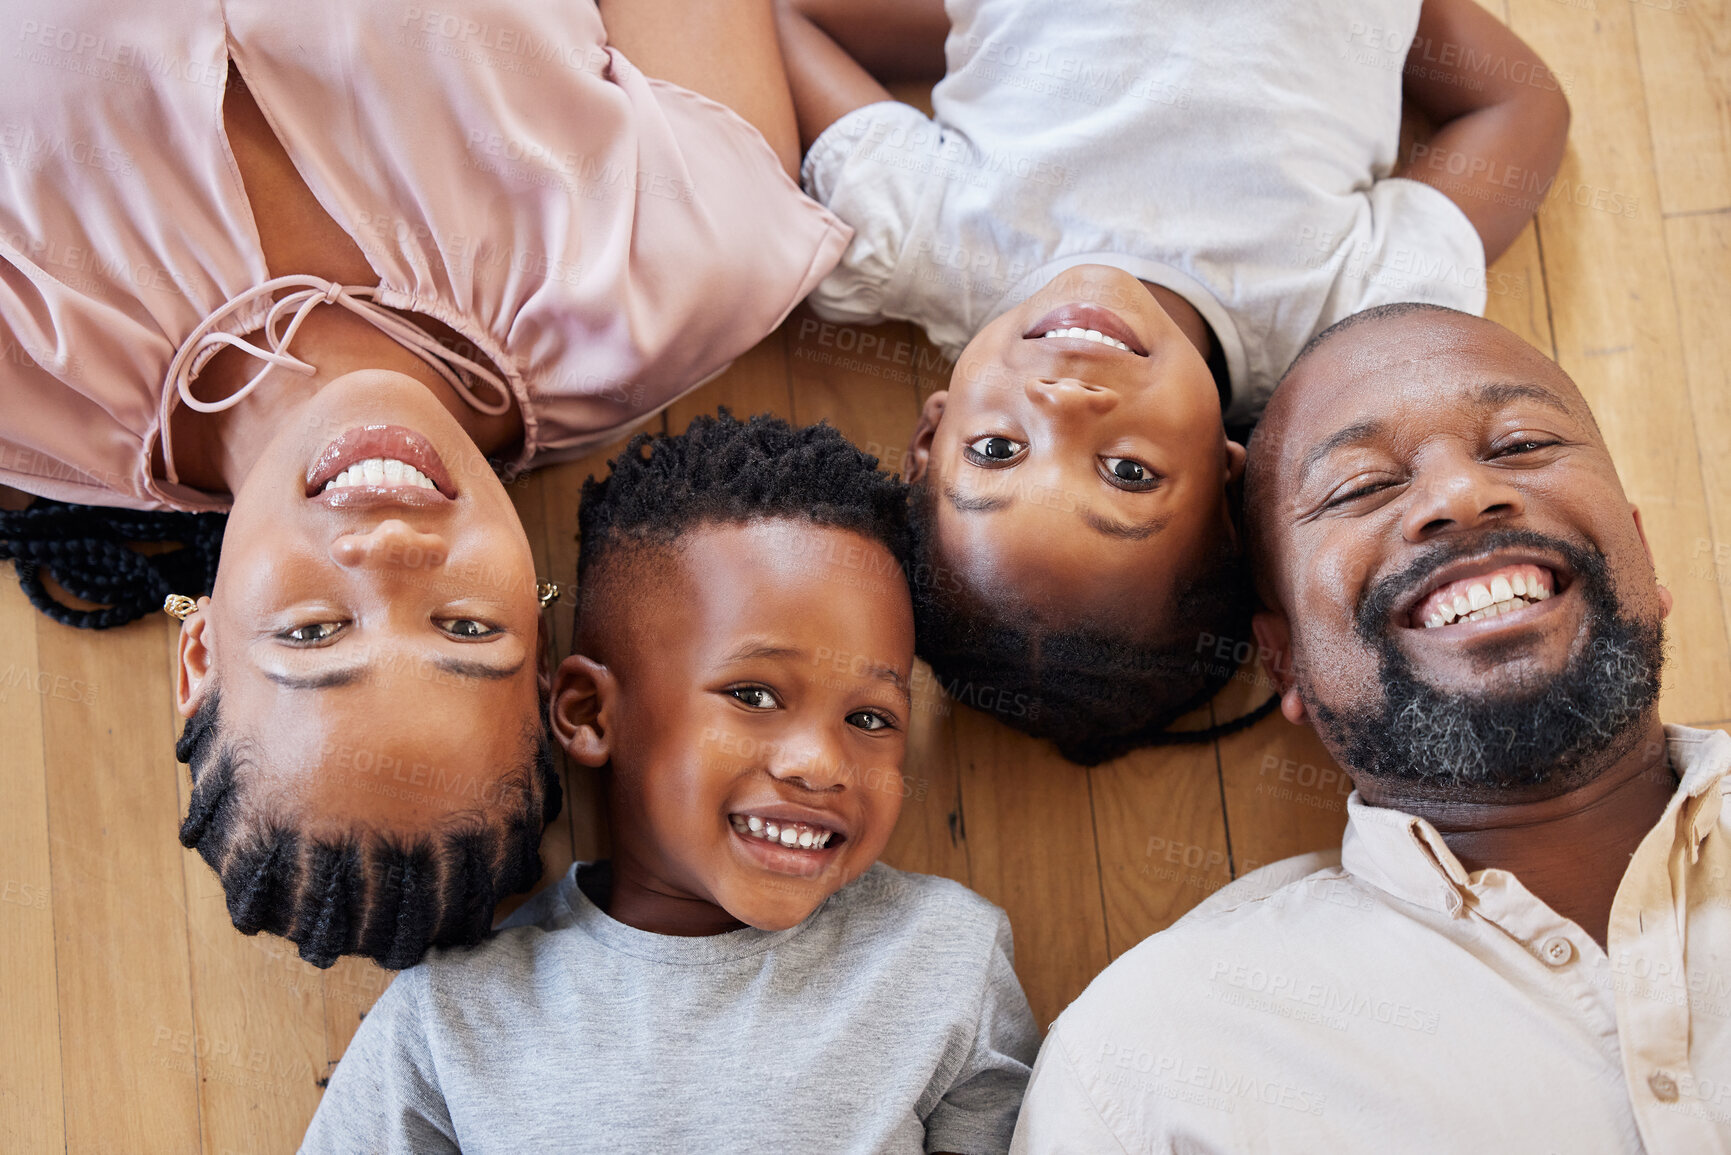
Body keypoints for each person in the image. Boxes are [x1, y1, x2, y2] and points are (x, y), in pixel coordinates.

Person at [0, 0, 849, 968]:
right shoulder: (686, 259)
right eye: (465, 629)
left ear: (199, 657)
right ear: (541, 639)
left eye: (315, 632)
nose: (393, 553)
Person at [1009, 306, 1730, 1152]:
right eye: (1359, 486)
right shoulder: (1148, 1062)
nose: (1461, 494)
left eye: (1519, 444)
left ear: (1644, 557)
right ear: (1285, 662)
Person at [772, 0, 1570, 763]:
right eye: (1127, 472)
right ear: (1230, 475)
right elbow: (1519, 111)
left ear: (928, 436)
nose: (1064, 402)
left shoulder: (917, 239)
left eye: (994, 448)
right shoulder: (1350, 314)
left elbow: (785, 18)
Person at [301, 412, 1040, 1153]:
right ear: (590, 713)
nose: (820, 762)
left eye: (872, 717)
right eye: (753, 695)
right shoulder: (451, 1018)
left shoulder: (943, 960)